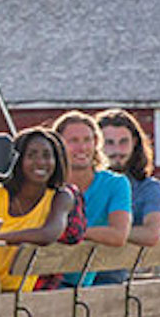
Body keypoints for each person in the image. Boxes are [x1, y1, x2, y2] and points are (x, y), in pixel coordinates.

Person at [0, 128, 83, 292]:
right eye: (31, 155)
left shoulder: (61, 197)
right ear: (17, 160)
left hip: (24, 293)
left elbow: (48, 234)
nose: (41, 162)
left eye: (47, 155)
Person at [53, 111, 133, 286]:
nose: (82, 148)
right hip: (42, 276)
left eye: (87, 140)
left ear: (96, 143)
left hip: (83, 280)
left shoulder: (115, 184)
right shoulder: (49, 185)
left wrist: (71, 233)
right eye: (73, 141)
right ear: (58, 145)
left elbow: (119, 234)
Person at [93, 109, 160, 284]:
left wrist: (108, 233)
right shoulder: (83, 183)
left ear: (134, 143)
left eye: (123, 142)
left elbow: (151, 233)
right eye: (109, 143)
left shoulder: (148, 188)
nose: (116, 151)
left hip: (111, 276)